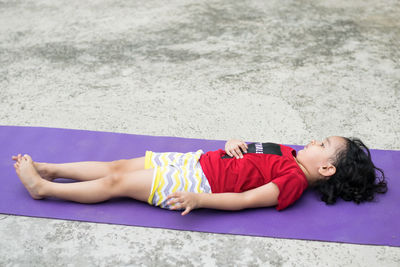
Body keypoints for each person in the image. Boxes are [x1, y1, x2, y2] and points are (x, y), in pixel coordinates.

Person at [12, 136, 387, 215]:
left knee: (118, 185)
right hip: (195, 161)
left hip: (198, 184)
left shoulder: (293, 181)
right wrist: (235, 142)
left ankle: (42, 188)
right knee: (118, 167)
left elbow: (244, 199)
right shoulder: (288, 153)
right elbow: (252, 152)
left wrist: (199, 199)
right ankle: (52, 169)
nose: (311, 140)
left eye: (320, 144)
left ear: (326, 168)